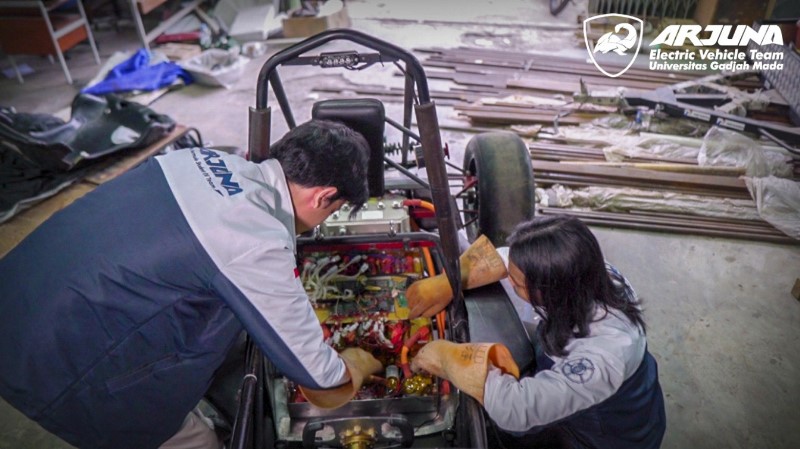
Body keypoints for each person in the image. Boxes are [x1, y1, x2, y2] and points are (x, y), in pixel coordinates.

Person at [0, 119, 383, 449]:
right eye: (333, 211)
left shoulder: (197, 159)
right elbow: (316, 373)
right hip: (53, 365)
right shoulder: (255, 237)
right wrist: (358, 364)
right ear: (324, 196)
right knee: (198, 441)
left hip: (18, 298)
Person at [413, 215, 666, 449]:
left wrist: (450, 359)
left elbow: (514, 410)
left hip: (604, 435)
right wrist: (450, 281)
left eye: (517, 284)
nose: (508, 281)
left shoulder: (601, 358)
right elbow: (507, 260)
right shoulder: (585, 273)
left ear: (551, 290)